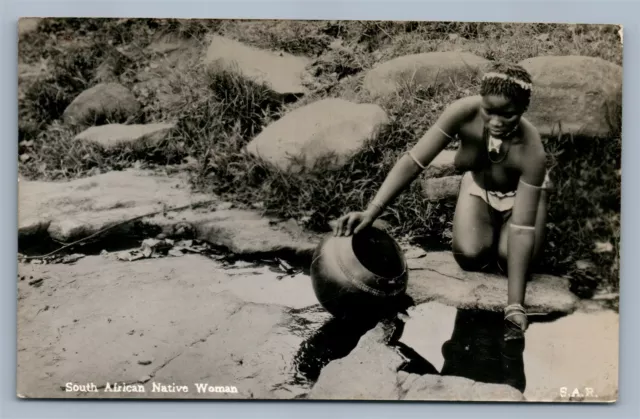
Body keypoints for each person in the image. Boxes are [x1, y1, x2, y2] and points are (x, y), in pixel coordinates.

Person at [333, 62, 550, 341]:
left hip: (523, 197)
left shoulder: (532, 151)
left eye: (506, 115)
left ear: (522, 110)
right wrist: (372, 211)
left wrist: (514, 306)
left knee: (511, 260)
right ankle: (477, 207)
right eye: (489, 111)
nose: (495, 121)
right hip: (480, 189)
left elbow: (522, 229)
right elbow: (414, 161)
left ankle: (526, 212)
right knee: (469, 256)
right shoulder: (463, 112)